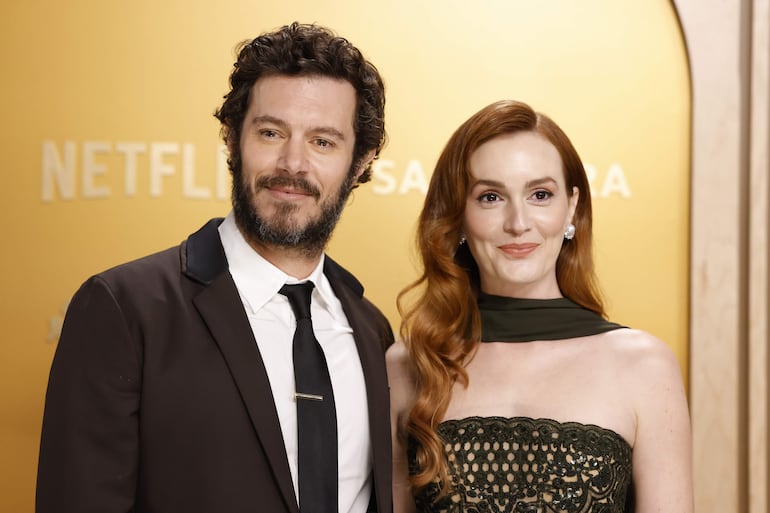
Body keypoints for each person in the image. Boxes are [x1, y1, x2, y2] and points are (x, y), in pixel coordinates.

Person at [36, 22, 394, 513]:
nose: (293, 163)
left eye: (323, 142)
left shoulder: (373, 331)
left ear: (360, 162)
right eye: (271, 132)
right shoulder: (125, 309)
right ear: (231, 139)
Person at [387, 100, 693, 513]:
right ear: (459, 215)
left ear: (572, 206)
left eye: (540, 194)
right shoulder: (409, 364)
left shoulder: (645, 366)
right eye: (491, 196)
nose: (518, 222)